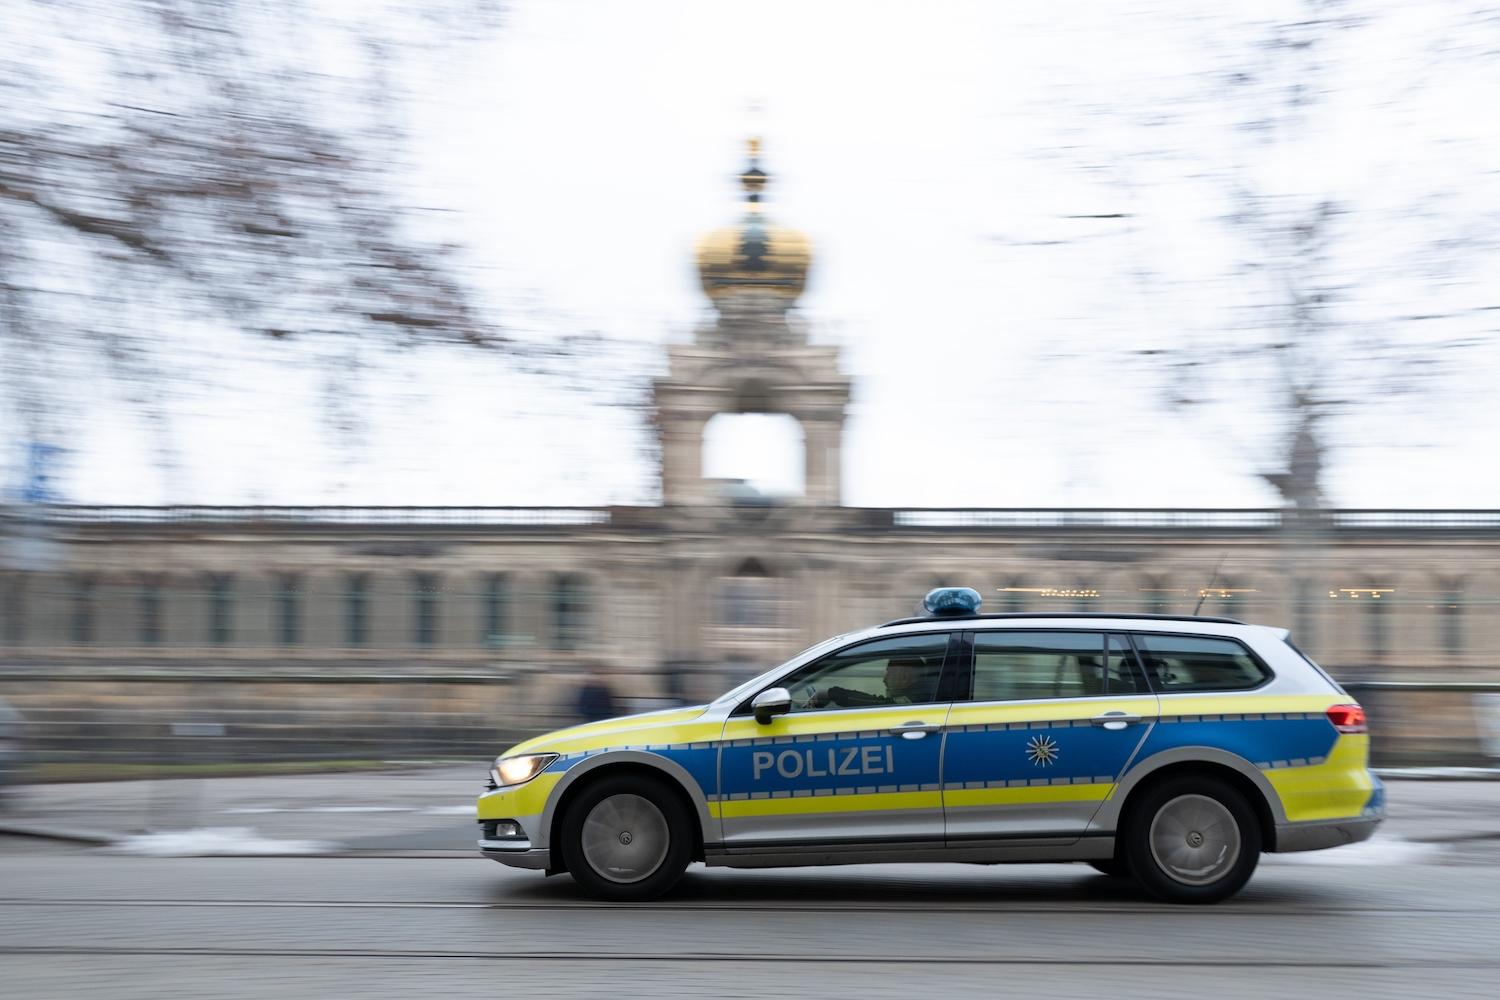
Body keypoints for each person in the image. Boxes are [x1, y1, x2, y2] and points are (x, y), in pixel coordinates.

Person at [809, 656, 929, 709]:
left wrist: (831, 694)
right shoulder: (925, 695)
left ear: (904, 678)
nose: (884, 680)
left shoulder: (916, 699)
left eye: (889, 673)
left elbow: (879, 704)